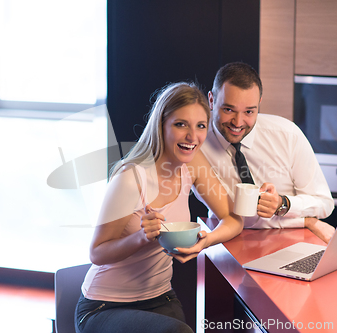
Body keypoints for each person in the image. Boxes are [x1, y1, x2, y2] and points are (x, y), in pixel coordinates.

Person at [75, 82, 243, 333]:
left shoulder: (193, 163)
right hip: (105, 307)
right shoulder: (131, 177)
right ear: (161, 124)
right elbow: (97, 253)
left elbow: (233, 220)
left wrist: (204, 242)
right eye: (180, 124)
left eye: (200, 126)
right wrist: (142, 237)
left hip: (160, 298)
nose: (192, 136)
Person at [192, 62, 335, 243]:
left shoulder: (287, 135)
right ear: (211, 100)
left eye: (249, 112)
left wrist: (283, 204)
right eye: (228, 110)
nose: (238, 122)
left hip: (289, 240)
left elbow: (324, 203)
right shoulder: (194, 140)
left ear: (259, 104)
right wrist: (308, 221)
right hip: (224, 242)